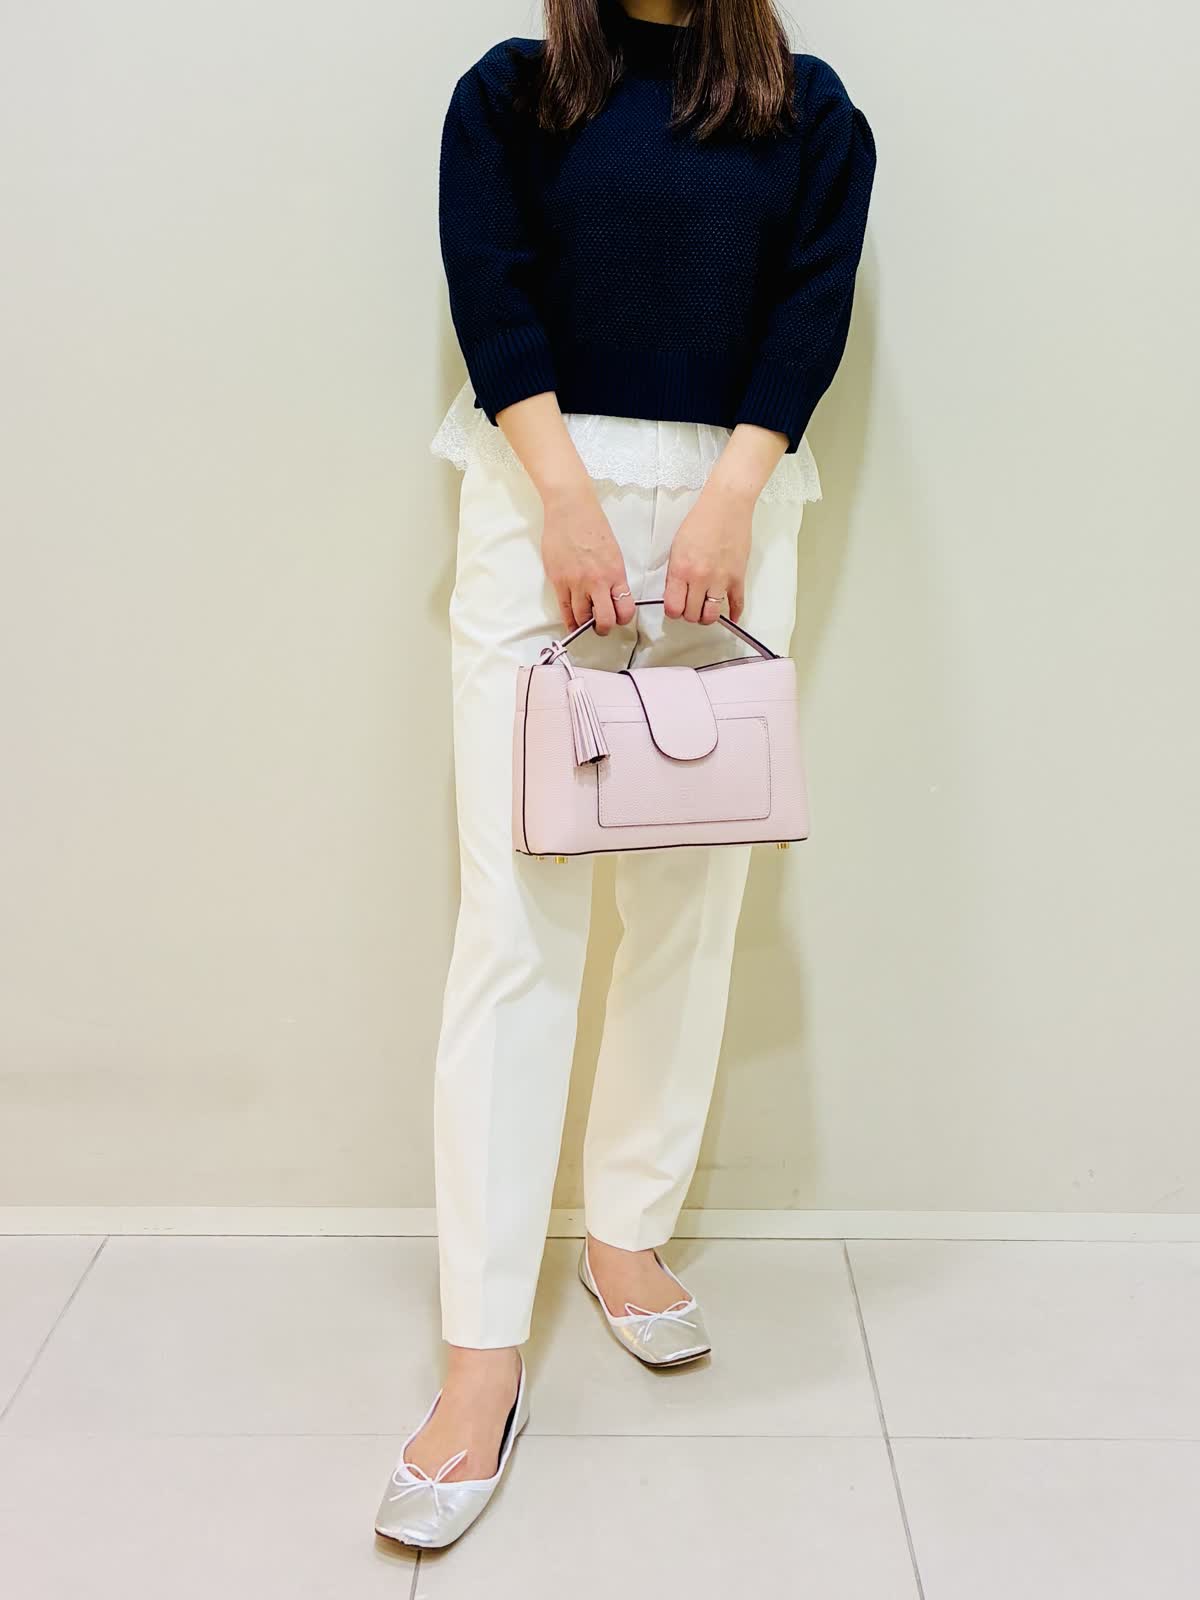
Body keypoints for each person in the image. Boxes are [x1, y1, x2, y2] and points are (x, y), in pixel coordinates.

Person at [376, 0, 875, 1548]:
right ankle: (481, 1352)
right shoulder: (511, 93)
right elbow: (493, 289)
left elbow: (809, 309)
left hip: (737, 510)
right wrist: (571, 499)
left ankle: (627, 1233)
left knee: (688, 903)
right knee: (514, 922)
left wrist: (729, 496)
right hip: (540, 510)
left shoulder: (809, 109)